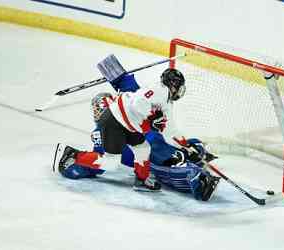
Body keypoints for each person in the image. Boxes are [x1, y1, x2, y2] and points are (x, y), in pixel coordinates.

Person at [54, 54, 186, 192]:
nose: (100, 113)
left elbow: (125, 82)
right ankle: (73, 156)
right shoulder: (101, 132)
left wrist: (111, 67)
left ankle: (142, 180)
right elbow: (96, 166)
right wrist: (76, 165)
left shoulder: (130, 101)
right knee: (113, 162)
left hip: (144, 138)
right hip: (152, 152)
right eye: (99, 110)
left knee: (144, 148)